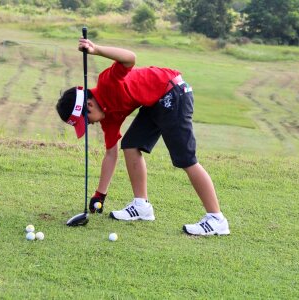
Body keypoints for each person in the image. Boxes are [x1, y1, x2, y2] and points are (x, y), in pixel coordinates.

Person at [56, 38, 230, 236]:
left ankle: (217, 219)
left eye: (86, 121)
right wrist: (100, 195)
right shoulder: (108, 118)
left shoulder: (107, 81)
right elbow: (111, 154)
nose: (90, 124)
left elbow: (130, 58)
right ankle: (142, 206)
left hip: (173, 92)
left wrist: (97, 50)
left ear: (88, 105)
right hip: (154, 102)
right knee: (131, 145)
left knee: (185, 159)